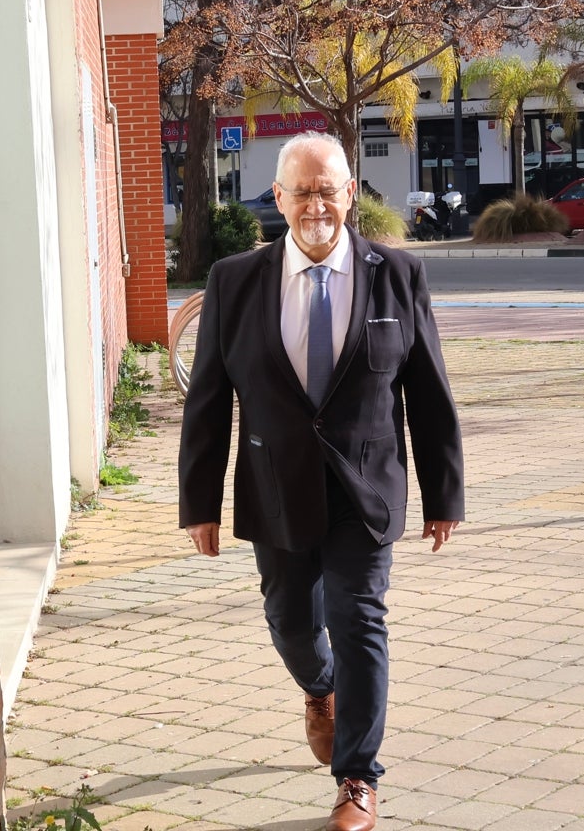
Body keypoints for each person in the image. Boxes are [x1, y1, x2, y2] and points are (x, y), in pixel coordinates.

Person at [177, 131, 465, 831]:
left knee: (359, 618)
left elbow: (428, 390)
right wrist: (199, 503)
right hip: (274, 487)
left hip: (366, 489)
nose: (316, 205)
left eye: (328, 190)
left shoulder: (397, 276)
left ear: (350, 194)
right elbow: (209, 398)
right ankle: (319, 685)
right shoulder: (234, 281)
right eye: (301, 191)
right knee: (292, 624)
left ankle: (358, 778)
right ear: (277, 198)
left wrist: (443, 493)